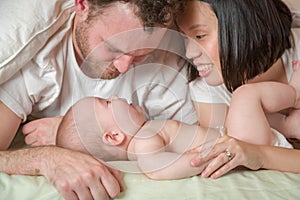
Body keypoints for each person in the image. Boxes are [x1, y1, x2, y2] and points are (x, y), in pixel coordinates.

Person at [0, 0, 197, 199]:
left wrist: (78, 133)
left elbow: (199, 138)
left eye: (141, 55)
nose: (123, 67)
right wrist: (48, 157)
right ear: (82, 6)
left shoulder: (165, 60)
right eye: (113, 48)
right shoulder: (34, 56)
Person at [167, 0, 300, 178]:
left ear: (246, 26)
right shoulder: (207, 89)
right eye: (184, 38)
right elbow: (232, 157)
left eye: (199, 36)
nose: (190, 53)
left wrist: (261, 154)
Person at [55, 96, 221, 180]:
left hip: (226, 138)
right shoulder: (143, 140)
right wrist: (211, 157)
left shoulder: (144, 132)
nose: (113, 97)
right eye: (106, 103)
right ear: (114, 136)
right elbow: (156, 169)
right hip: (224, 145)